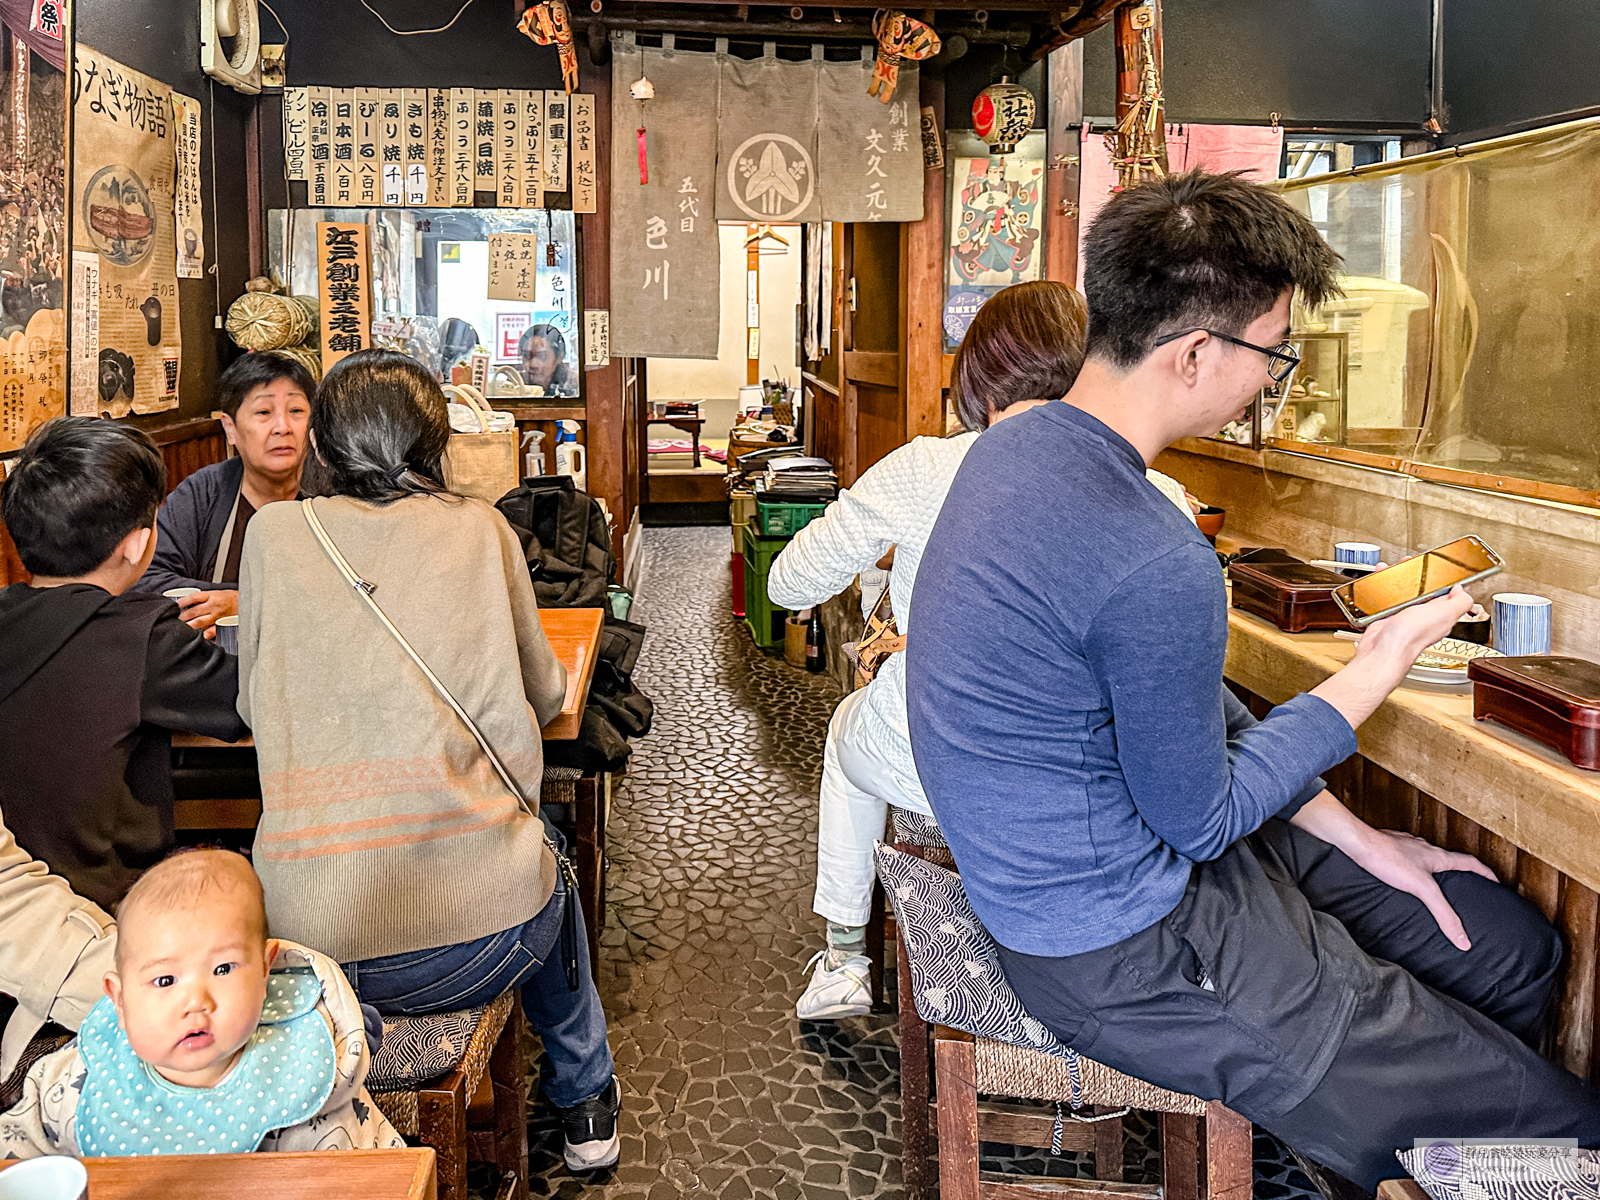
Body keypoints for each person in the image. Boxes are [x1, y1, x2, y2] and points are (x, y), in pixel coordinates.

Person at [906, 170, 1600, 1190]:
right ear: (1194, 351)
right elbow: (1198, 816)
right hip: (1124, 947)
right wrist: (1368, 674)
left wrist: (1362, 836)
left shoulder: (1014, 447)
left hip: (1146, 869)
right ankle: (1357, 1116)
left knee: (1509, 953)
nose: (1271, 378)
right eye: (1272, 351)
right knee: (1568, 1133)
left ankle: (1349, 1123)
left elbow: (1179, 709)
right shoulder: (1150, 548)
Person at [769, 281, 1199, 1020]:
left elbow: (787, 582)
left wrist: (891, 551)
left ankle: (844, 955)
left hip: (931, 762)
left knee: (847, 735)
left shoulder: (924, 468)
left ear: (975, 379)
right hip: (1086, 786)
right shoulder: (1159, 490)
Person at [235, 349, 621, 1172]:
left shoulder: (270, 537)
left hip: (309, 947)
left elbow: (249, 703)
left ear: (326, 446)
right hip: (481, 942)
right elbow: (549, 690)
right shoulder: (479, 526)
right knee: (545, 851)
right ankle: (586, 1099)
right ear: (433, 441)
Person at [0, 849, 403, 1156]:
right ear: (120, 1002)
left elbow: (377, 1177)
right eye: (164, 980)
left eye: (224, 969)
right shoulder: (84, 1078)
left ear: (266, 970)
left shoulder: (301, 1070)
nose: (196, 1001)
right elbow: (20, 1155)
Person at [0, 418, 247, 910]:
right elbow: (242, 705)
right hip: (103, 905)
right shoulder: (144, 635)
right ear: (138, 543)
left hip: (14, 903)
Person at [135, 352, 316, 635]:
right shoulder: (205, 492)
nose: (283, 427)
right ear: (229, 429)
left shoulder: (334, 496)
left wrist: (248, 603)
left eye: (296, 411)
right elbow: (147, 577)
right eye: (264, 413)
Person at [519, 323, 573, 395]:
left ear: (559, 357)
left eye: (542, 357)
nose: (533, 364)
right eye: (527, 356)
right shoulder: (516, 382)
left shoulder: (574, 383)